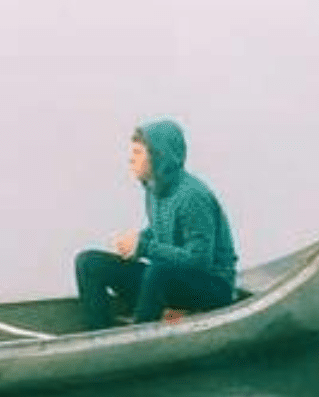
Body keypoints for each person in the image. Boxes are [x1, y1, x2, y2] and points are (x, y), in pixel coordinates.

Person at [75, 121, 239, 330]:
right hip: (172, 280)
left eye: (138, 152)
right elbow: (162, 230)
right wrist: (137, 243)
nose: (130, 159)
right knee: (89, 262)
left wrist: (144, 248)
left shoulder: (192, 196)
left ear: (159, 156)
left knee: (158, 271)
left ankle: (137, 338)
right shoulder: (154, 189)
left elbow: (200, 260)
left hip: (212, 288)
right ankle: (97, 335)